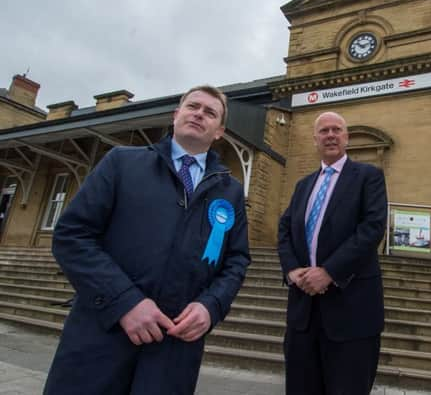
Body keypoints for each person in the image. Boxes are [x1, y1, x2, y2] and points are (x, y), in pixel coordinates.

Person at [44, 85, 250, 395]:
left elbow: (236, 260)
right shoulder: (122, 162)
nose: (199, 114)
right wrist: (125, 302)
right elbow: (72, 235)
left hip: (174, 350)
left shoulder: (230, 190)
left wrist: (211, 306)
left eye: (210, 112)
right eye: (192, 106)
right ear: (175, 115)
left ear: (219, 131)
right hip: (101, 339)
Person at [278, 111, 388, 395]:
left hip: (352, 312)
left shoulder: (368, 176)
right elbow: (285, 230)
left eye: (336, 129)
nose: (330, 135)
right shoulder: (303, 185)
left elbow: (372, 228)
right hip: (303, 314)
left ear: (346, 137)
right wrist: (291, 270)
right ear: (315, 139)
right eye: (324, 131)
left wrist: (329, 272)